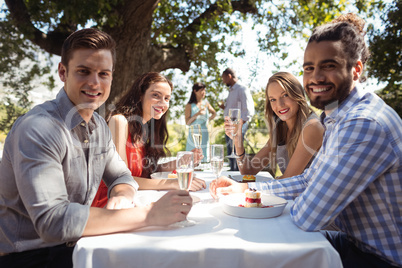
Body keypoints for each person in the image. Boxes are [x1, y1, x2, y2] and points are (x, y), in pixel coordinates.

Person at [210, 13, 402, 267]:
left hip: (380, 257)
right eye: (309, 68)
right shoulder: (335, 118)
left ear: (356, 70)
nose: (316, 77)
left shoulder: (361, 124)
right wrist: (245, 187)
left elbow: (308, 216)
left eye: (329, 65)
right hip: (354, 241)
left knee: (254, 249)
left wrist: (250, 191)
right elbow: (306, 180)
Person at [0, 28, 193, 268]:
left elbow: (122, 175)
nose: (94, 82)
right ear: (63, 72)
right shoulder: (39, 128)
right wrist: (148, 214)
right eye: (84, 71)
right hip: (32, 257)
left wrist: (122, 195)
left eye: (104, 73)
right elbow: (53, 222)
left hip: (78, 243)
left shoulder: (99, 126)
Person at [91, 72, 206, 208]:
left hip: (137, 200)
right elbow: (122, 180)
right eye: (156, 95)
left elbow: (148, 170)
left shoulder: (146, 129)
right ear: (140, 95)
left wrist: (179, 162)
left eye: (167, 98)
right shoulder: (119, 121)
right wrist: (174, 183)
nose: (163, 103)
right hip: (110, 205)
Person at [225, 72, 324, 177]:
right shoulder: (280, 129)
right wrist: (237, 141)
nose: (280, 105)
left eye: (285, 95)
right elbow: (248, 171)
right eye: (273, 99)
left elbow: (287, 181)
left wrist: (245, 188)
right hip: (294, 193)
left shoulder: (312, 127)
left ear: (297, 94)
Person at [220, 68, 255, 171]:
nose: (223, 81)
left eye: (224, 78)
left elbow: (248, 109)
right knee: (230, 149)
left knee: (237, 149)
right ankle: (232, 172)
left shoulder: (242, 89)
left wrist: (240, 125)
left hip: (239, 124)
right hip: (231, 125)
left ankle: (238, 173)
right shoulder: (231, 91)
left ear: (229, 76)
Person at [185, 82, 216, 162]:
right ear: (195, 91)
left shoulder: (206, 104)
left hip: (204, 132)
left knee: (204, 154)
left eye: (204, 90)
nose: (204, 93)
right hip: (193, 133)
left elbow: (214, 113)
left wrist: (208, 120)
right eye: (202, 90)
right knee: (193, 156)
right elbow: (187, 122)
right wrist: (197, 114)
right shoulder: (189, 105)